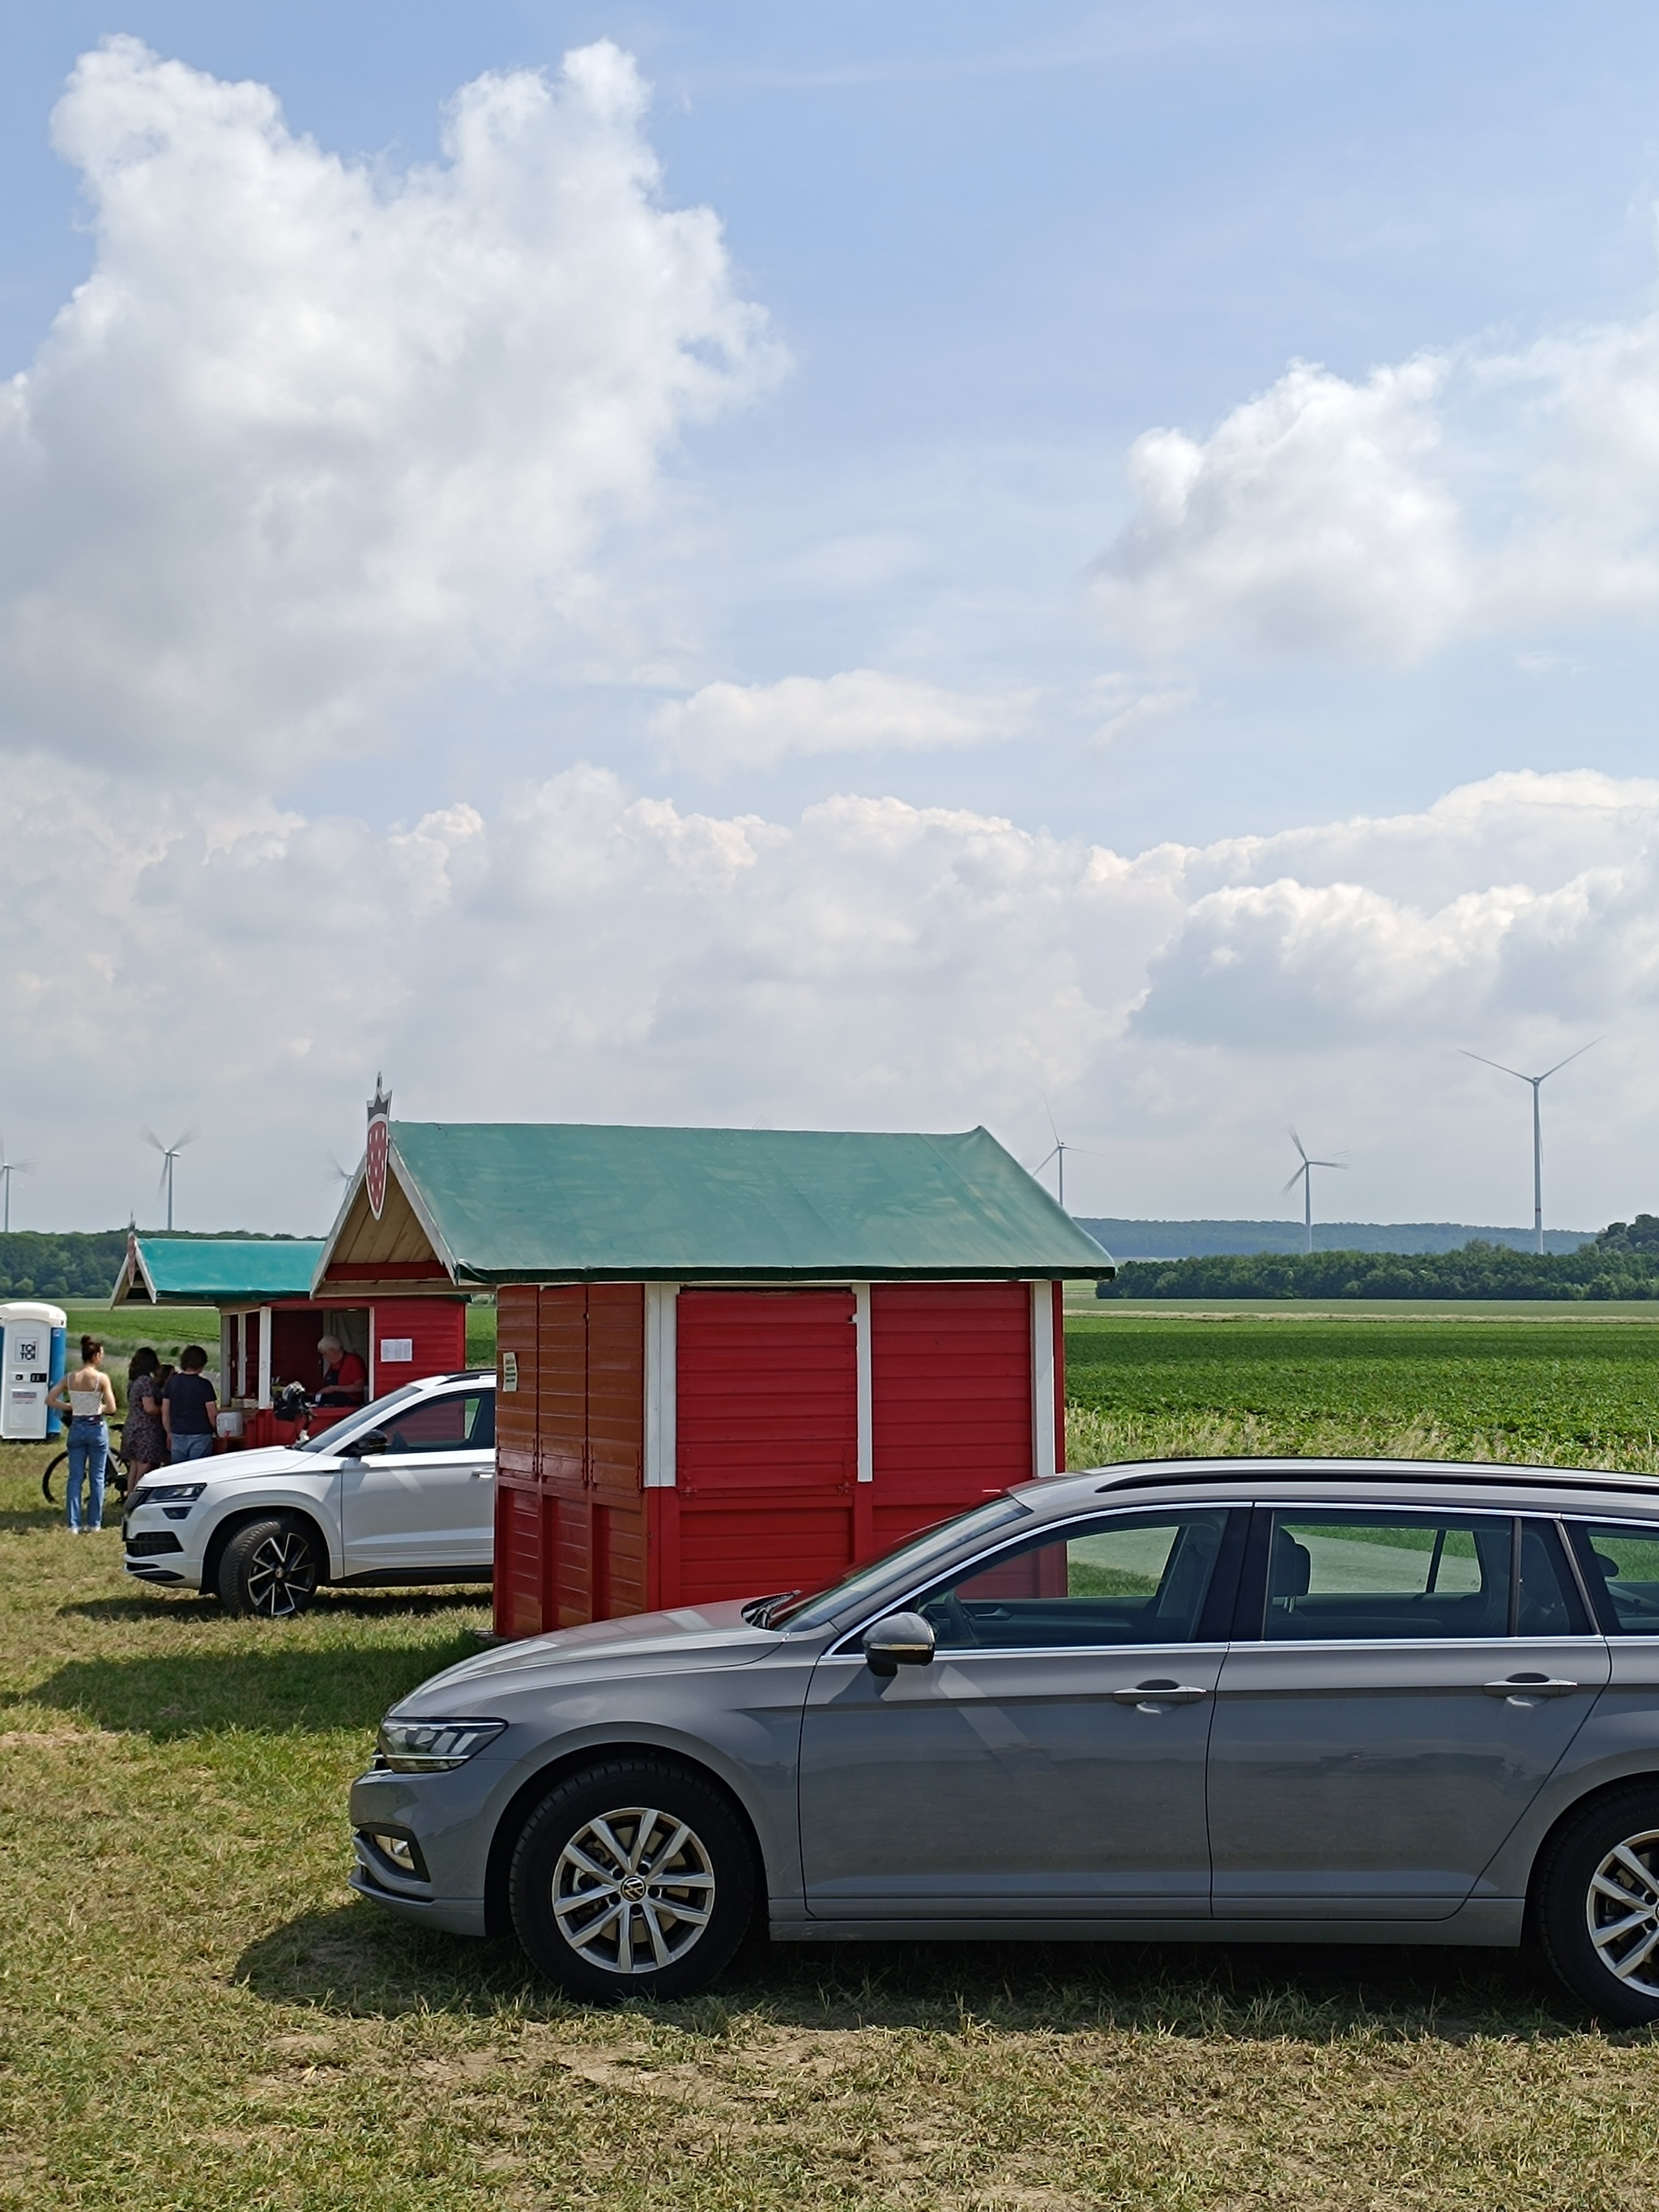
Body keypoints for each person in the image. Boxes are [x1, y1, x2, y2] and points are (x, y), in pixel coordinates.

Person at [46, 1335, 117, 1532]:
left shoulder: (71, 1377)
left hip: (77, 1427)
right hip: (95, 1427)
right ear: (95, 1355)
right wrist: (98, 1407)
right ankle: (94, 1523)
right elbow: (111, 1408)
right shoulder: (102, 1379)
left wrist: (69, 1405)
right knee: (98, 1477)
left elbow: (50, 1399)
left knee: (75, 1477)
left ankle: (73, 1524)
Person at [162, 1345, 219, 1464]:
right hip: (200, 1434)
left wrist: (168, 1432)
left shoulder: (172, 1382)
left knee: (178, 1472)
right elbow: (212, 1413)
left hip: (177, 1433)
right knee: (197, 1471)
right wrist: (217, 1430)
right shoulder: (204, 1385)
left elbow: (165, 1410)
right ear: (201, 1364)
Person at [123, 1348, 166, 1483]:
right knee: (145, 1466)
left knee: (134, 1467)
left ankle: (130, 1498)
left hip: (132, 1426)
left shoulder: (134, 1381)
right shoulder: (146, 1381)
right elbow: (150, 1408)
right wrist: (165, 1408)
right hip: (145, 1430)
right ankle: (137, 1496)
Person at [315, 1334, 368, 1407]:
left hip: (348, 1408)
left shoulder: (352, 1360)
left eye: (324, 1354)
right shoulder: (334, 1364)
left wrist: (334, 1389)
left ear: (332, 1351)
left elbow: (359, 1387)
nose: (324, 1357)